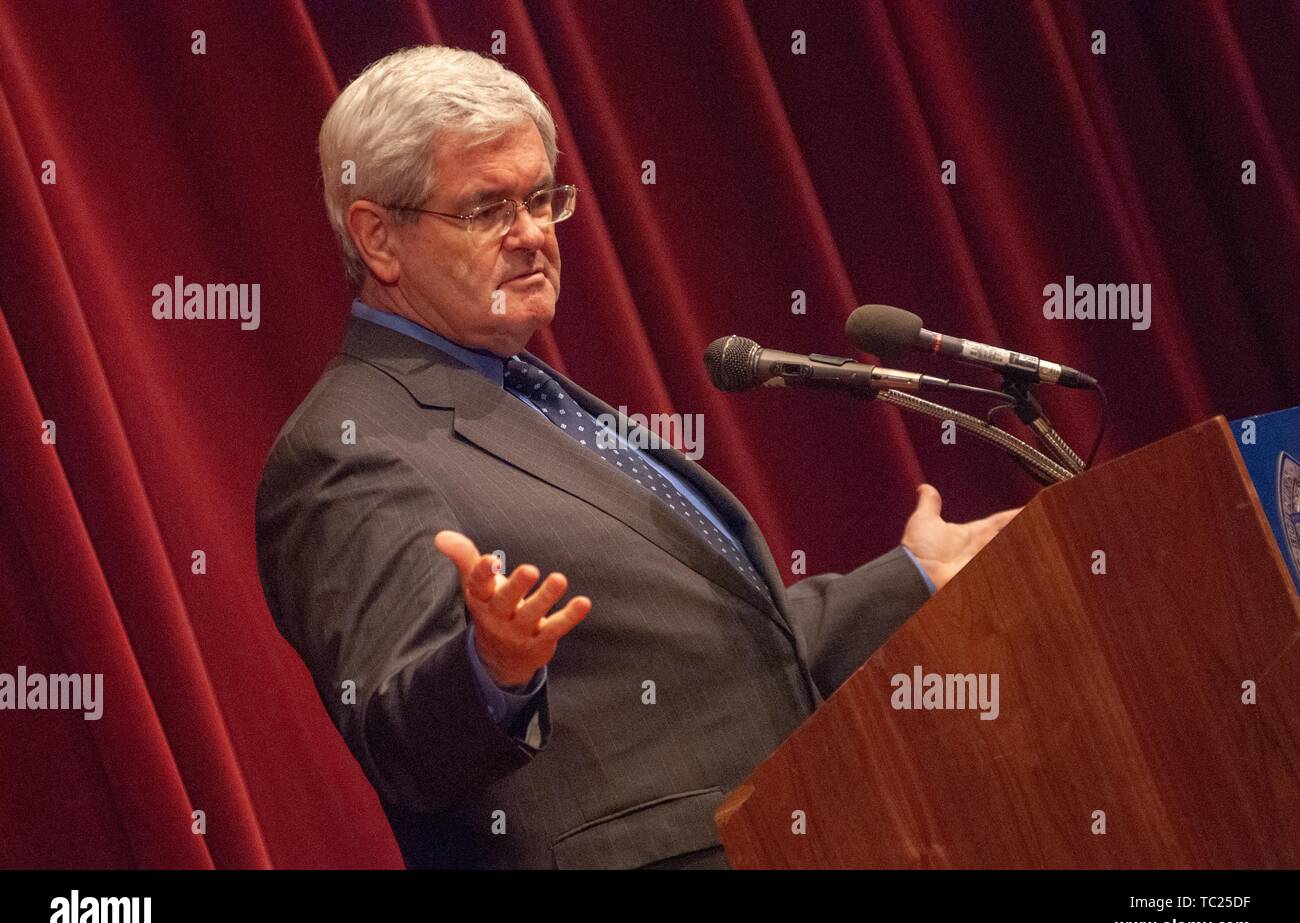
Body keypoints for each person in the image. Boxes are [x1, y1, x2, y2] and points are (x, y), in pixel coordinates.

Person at [255, 44, 1019, 869]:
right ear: (379, 238)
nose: (533, 235)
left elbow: (719, 649)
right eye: (486, 209)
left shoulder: (528, 394)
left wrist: (913, 576)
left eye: (543, 199)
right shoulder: (347, 448)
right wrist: (491, 671)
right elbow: (402, 742)